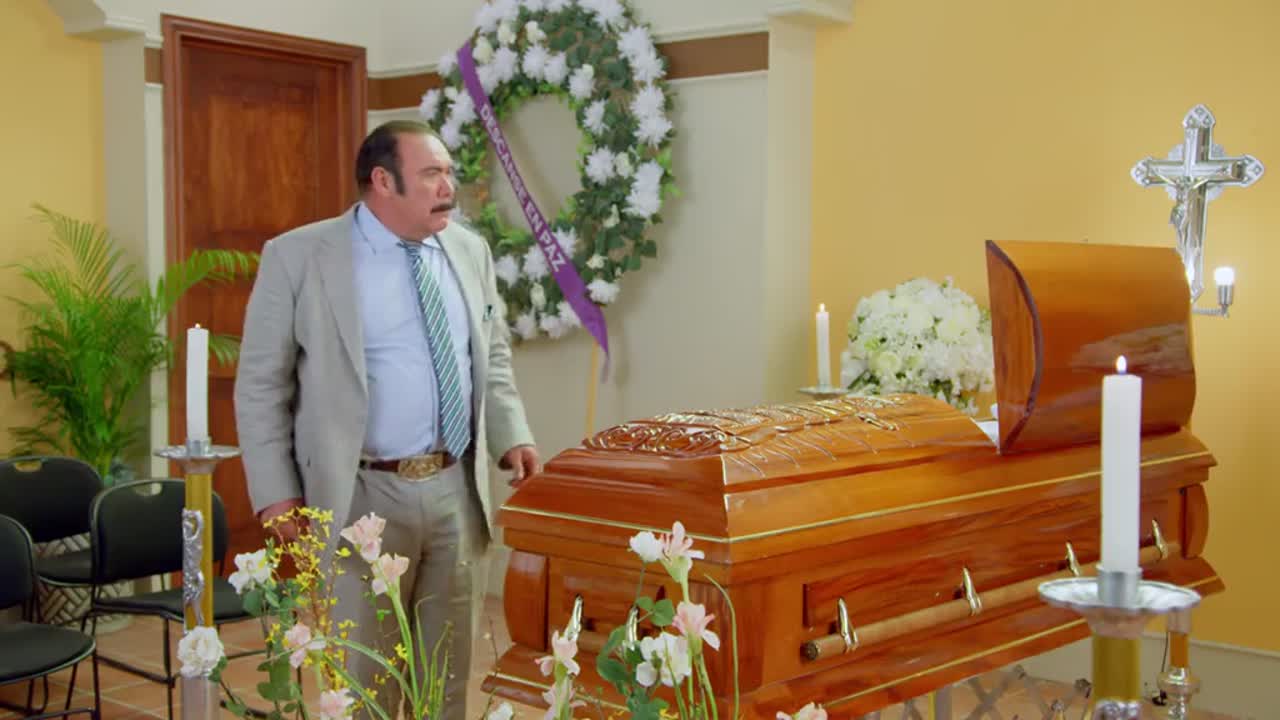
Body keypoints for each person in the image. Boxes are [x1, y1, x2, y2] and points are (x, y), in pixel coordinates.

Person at [233, 119, 539, 720]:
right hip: (358, 496)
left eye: (448, 172)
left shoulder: (468, 250)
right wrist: (275, 494)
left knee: (445, 681)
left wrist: (512, 435)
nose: (447, 187)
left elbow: (491, 354)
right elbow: (262, 385)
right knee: (364, 685)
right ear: (383, 180)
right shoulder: (299, 256)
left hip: (454, 490)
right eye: (431, 174)